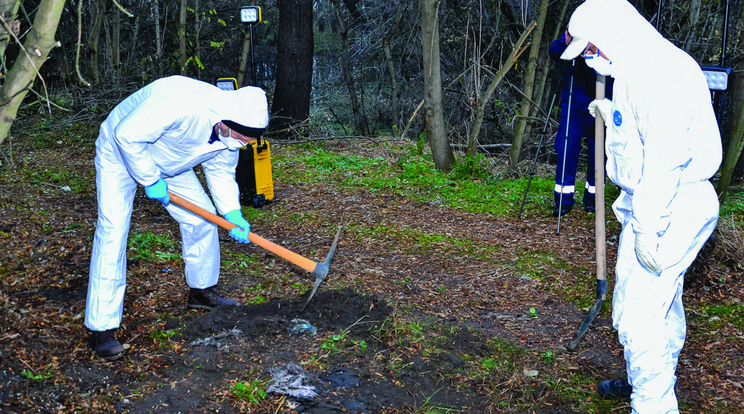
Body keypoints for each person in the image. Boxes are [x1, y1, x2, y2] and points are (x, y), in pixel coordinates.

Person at [561, 0, 722, 412]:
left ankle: (653, 404)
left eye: (592, 50)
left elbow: (665, 161)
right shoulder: (641, 68)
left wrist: (649, 228)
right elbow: (646, 134)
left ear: (613, 35)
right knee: (657, 301)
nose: (591, 60)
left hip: (671, 205)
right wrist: (613, 113)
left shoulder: (658, 75)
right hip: (657, 202)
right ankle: (647, 380)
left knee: (639, 313)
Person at [86, 75, 269, 360]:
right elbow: (126, 135)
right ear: (224, 122)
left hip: (170, 162)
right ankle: (101, 328)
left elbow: (220, 172)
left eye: (249, 139)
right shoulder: (179, 103)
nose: (244, 144)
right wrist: (149, 179)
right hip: (119, 154)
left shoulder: (233, 132)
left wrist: (232, 213)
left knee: (203, 219)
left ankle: (201, 293)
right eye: (242, 137)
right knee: (113, 231)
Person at [548, 29, 613, 217]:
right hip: (573, 95)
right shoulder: (580, 25)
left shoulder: (610, 30)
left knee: (598, 150)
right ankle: (562, 200)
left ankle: (593, 200)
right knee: (567, 147)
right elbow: (554, 51)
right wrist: (568, 41)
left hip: (600, 96)